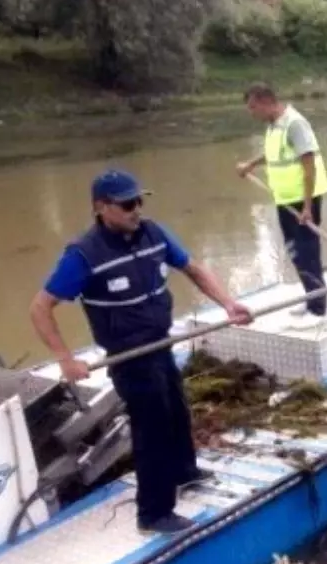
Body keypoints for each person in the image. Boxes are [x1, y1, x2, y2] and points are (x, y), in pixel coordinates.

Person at [29, 169, 253, 535]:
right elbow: (40, 307)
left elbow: (193, 268)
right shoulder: (84, 254)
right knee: (152, 428)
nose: (137, 209)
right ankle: (153, 513)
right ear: (101, 208)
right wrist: (65, 358)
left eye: (140, 201)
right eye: (127, 203)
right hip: (129, 356)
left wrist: (228, 303)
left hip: (160, 342)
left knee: (177, 410)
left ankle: (184, 471)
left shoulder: (154, 233)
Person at [236, 82, 327, 331]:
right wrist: (251, 164)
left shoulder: (294, 123)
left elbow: (308, 164)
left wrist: (308, 207)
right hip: (285, 199)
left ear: (267, 101)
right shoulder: (273, 126)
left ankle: (318, 310)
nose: (252, 113)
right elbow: (274, 155)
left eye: (253, 107)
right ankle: (311, 297)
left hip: (303, 201)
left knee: (307, 251)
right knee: (295, 251)